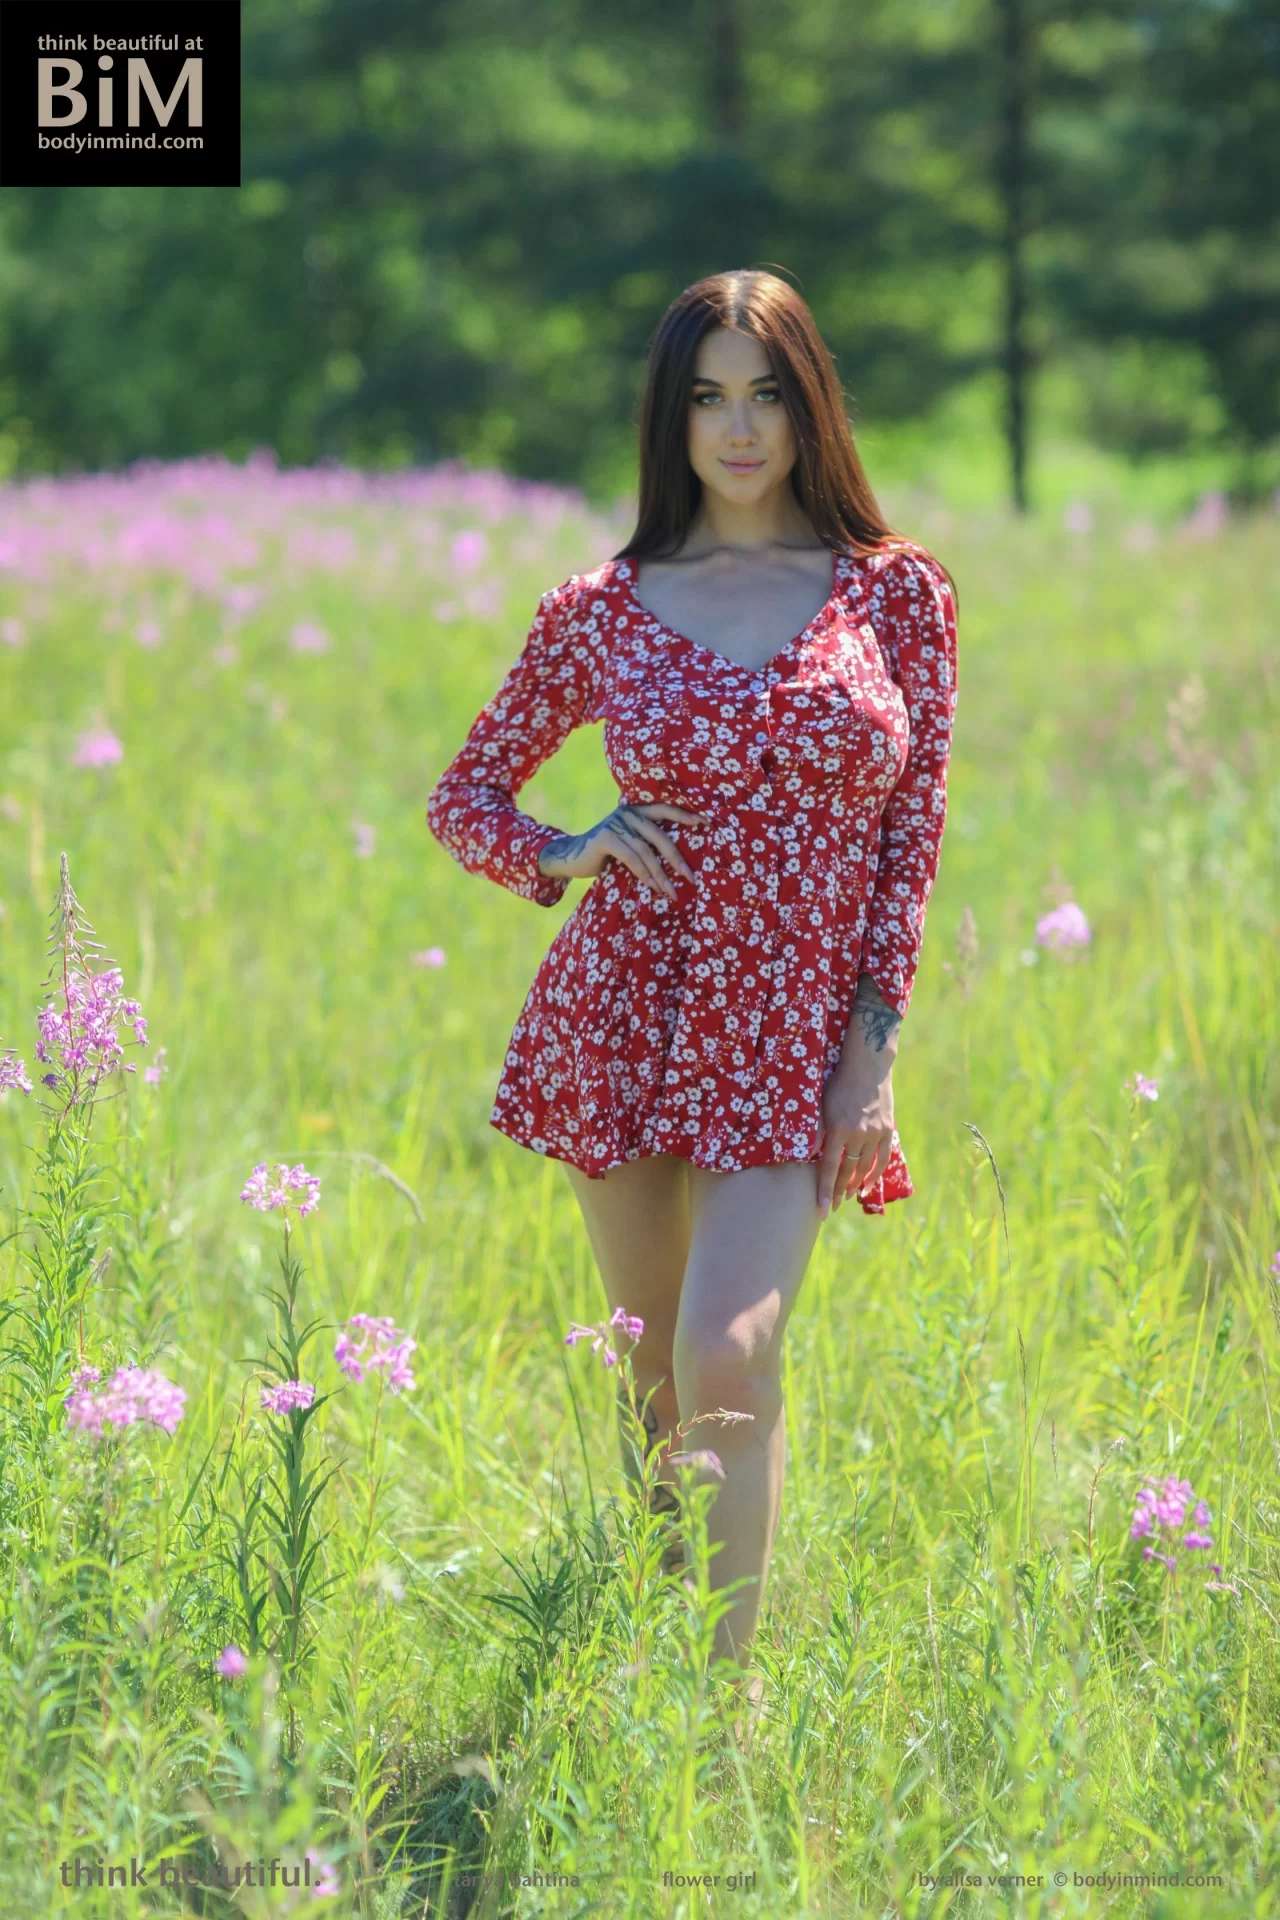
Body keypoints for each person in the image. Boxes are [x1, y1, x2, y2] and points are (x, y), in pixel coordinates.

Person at [426, 268, 959, 1722]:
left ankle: (722, 1722)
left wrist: (878, 1048)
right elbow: (463, 795)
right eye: (710, 396)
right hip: (630, 1009)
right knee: (658, 1375)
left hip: (796, 1032)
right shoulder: (604, 607)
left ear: (810, 404)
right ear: (674, 417)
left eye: (767, 392)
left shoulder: (895, 593)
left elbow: (910, 841)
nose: (740, 427)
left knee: (731, 1350)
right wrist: (573, 848)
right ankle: (664, 1653)